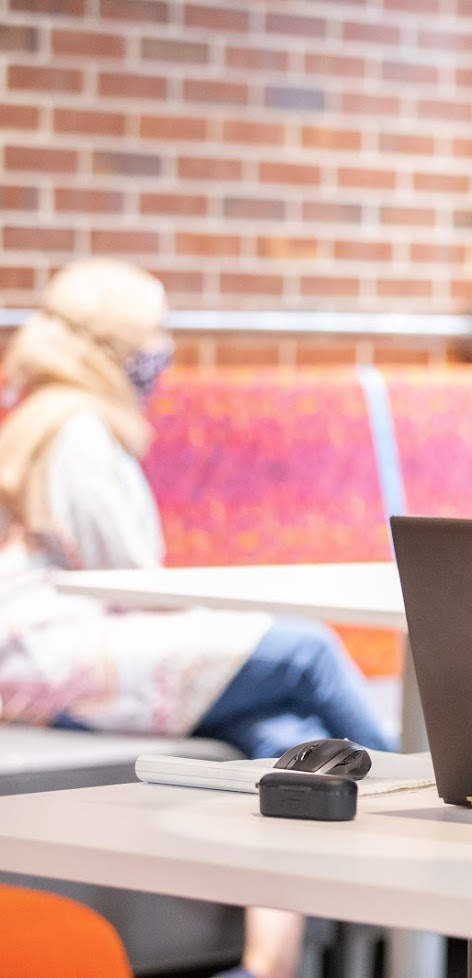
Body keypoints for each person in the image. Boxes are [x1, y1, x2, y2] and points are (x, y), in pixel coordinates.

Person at [0, 257, 395, 978]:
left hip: (66, 651)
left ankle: (265, 967)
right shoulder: (77, 429)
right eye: (151, 332)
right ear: (111, 343)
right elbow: (127, 577)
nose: (161, 350)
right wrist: (227, 630)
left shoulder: (45, 413)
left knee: (290, 742)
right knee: (303, 650)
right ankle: (417, 810)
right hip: (57, 651)